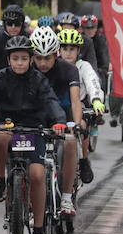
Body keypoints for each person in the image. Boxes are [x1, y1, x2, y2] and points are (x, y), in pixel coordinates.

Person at [0, 35, 68, 234]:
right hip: (8, 124)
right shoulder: (0, 77)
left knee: (36, 175)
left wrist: (59, 121)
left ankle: (38, 229)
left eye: (24, 58)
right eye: (15, 58)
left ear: (31, 59)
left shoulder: (39, 79)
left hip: (34, 128)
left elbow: (51, 101)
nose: (20, 63)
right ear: (8, 60)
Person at [28, 27, 83, 218]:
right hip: (36, 116)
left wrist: (76, 124)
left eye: (47, 58)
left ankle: (66, 197)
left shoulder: (69, 70)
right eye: (38, 58)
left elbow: (75, 101)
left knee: (69, 142)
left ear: (56, 54)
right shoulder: (27, 68)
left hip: (63, 114)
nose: (42, 63)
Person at [58, 27, 104, 185]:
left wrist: (96, 99)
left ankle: (83, 160)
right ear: (59, 50)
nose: (68, 53)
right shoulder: (53, 64)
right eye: (64, 49)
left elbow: (93, 83)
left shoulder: (84, 66)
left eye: (72, 49)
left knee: (82, 125)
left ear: (78, 51)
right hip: (56, 108)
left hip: (80, 105)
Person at [78, 15, 111, 83]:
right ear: (82, 29)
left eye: (92, 28)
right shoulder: (78, 39)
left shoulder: (101, 40)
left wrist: (101, 70)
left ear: (96, 28)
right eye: (87, 28)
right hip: (80, 71)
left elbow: (104, 60)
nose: (90, 30)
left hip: (97, 71)